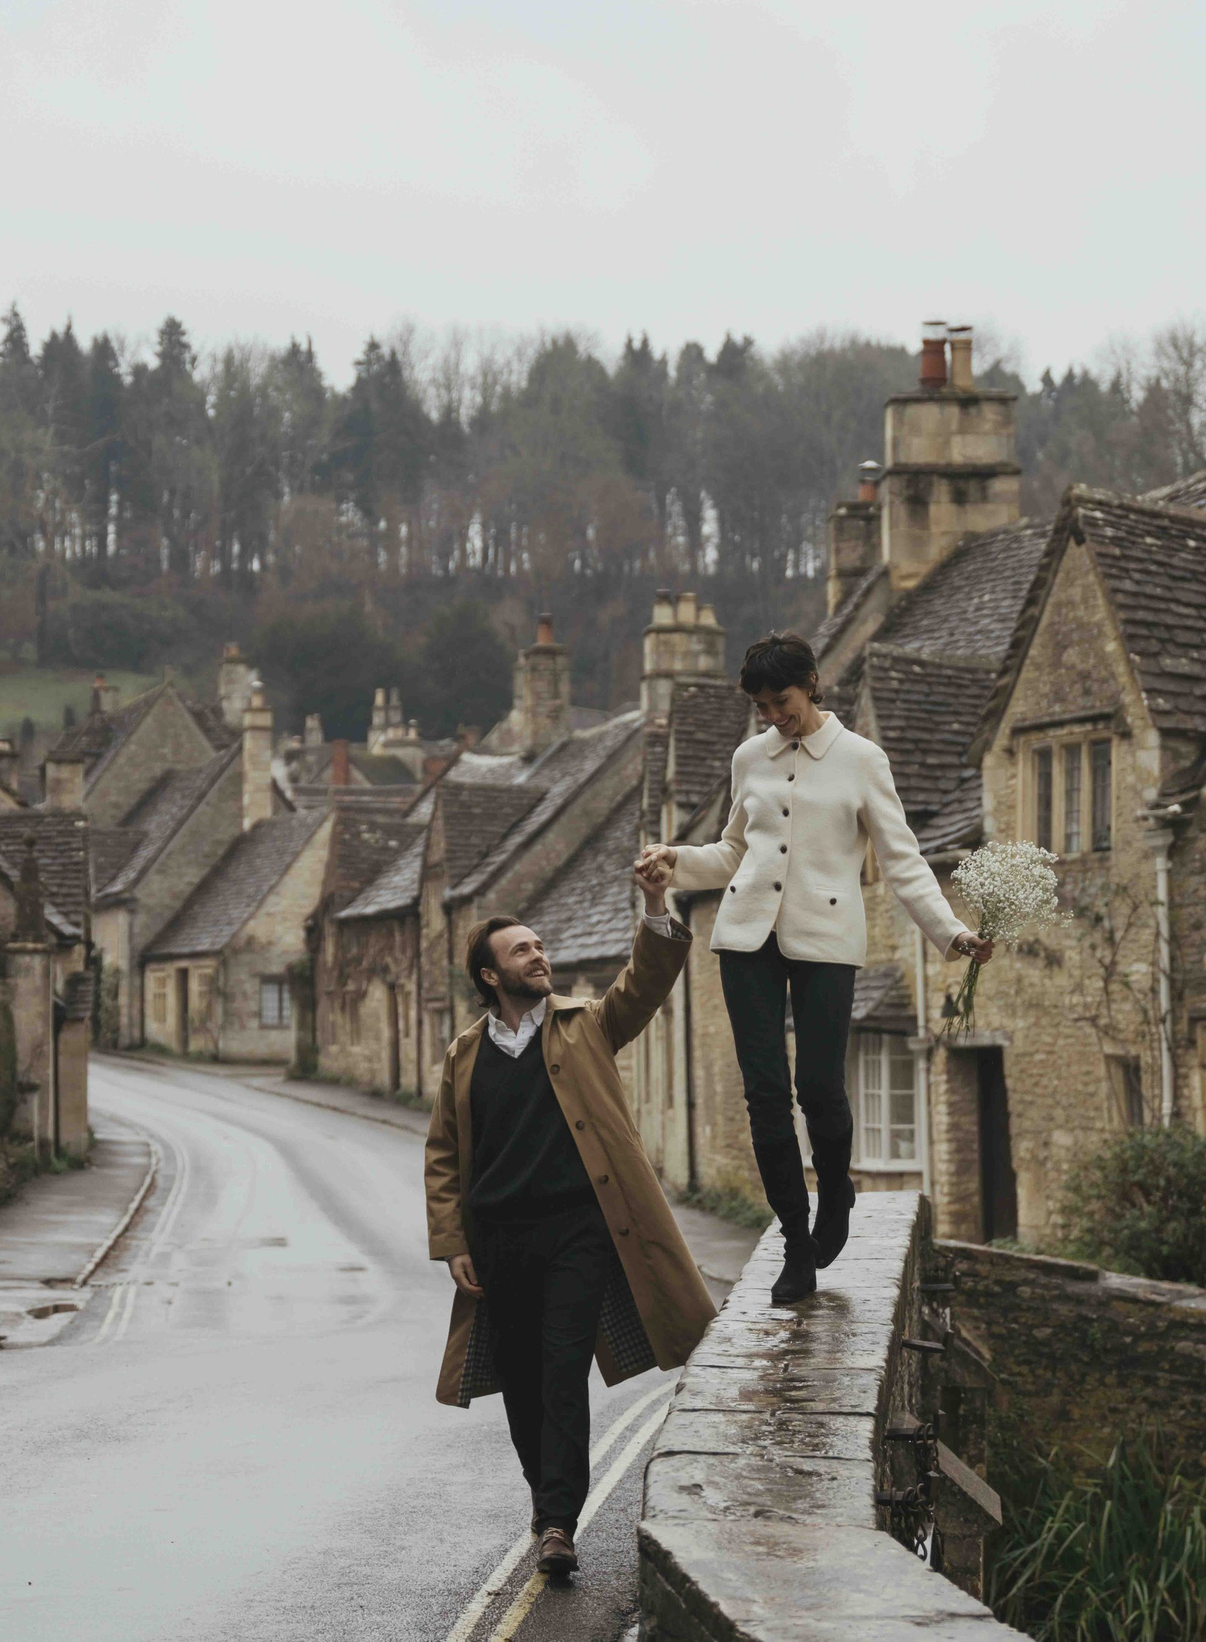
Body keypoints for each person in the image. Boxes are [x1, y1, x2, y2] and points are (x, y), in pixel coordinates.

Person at [641, 630, 992, 1307]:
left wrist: (951, 931)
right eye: (762, 707)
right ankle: (796, 1243)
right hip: (746, 937)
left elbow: (901, 860)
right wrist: (674, 860)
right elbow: (733, 851)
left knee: (820, 1088)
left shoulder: (862, 759)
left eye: (783, 701)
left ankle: (835, 1188)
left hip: (827, 938)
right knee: (765, 1094)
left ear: (811, 684)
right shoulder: (749, 757)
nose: (774, 716)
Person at [424, 861, 716, 1587]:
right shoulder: (463, 1056)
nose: (538, 955)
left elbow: (644, 984)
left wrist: (656, 904)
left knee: (561, 1372)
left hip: (578, 1233)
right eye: (521, 950)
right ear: (490, 975)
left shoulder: (586, 1024)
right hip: (499, 1241)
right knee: (522, 1382)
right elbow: (445, 1155)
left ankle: (559, 1521)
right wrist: (453, 1242)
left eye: (539, 945)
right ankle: (545, 1496)